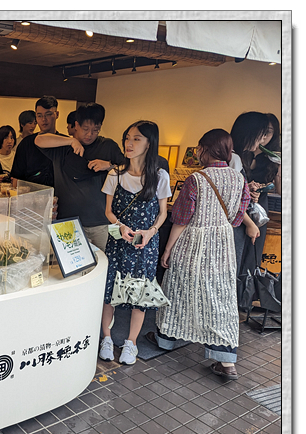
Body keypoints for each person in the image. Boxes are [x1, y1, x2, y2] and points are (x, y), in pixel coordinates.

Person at [149, 129, 251, 380]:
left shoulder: (196, 179)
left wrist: (168, 249)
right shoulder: (239, 179)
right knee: (221, 296)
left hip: (193, 242)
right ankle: (226, 361)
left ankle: (166, 339)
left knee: (179, 287)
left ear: (205, 149)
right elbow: (238, 217)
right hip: (223, 245)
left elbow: (181, 219)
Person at [97, 121, 171, 365]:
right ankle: (107, 338)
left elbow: (163, 213)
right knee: (110, 292)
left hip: (145, 245)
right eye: (127, 138)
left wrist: (151, 232)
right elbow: (108, 211)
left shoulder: (159, 176)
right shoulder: (115, 174)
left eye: (136, 139)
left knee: (140, 295)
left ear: (149, 143)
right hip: (118, 242)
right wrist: (120, 226)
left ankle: (131, 343)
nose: (129, 143)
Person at [34, 103, 126, 251]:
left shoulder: (108, 146)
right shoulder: (62, 146)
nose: (90, 135)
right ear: (76, 125)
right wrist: (71, 141)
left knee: (101, 262)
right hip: (67, 222)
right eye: (85, 129)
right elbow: (38, 140)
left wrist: (109, 165)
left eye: (95, 130)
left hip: (99, 222)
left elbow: (128, 169)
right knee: (69, 263)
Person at [230, 112, 268, 276]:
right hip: (234, 226)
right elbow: (231, 201)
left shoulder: (236, 156)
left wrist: (248, 189)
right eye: (262, 134)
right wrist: (251, 224)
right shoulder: (234, 158)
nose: (263, 140)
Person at [11, 96, 64, 187]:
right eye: (39, 116)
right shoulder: (26, 144)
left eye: (48, 114)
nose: (43, 119)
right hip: (31, 194)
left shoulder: (65, 143)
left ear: (57, 114)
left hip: (59, 194)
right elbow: (17, 178)